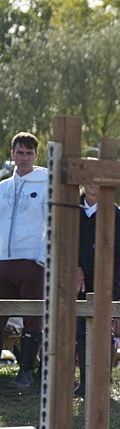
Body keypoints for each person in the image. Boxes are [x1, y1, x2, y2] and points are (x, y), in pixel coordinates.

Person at [0, 133, 50, 388]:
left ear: (36, 156)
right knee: (1, 314)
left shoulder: (46, 184)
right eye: (20, 152)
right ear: (12, 154)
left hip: (31, 263)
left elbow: (51, 225)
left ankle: (26, 372)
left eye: (29, 153)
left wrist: (40, 259)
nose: (24, 157)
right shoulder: (2, 187)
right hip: (2, 262)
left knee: (33, 316)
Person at [76, 182, 120, 397]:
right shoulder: (71, 210)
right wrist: (75, 270)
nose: (93, 185)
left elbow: (117, 252)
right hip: (74, 282)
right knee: (80, 333)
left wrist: (84, 270)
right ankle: (85, 382)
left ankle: (102, 381)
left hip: (104, 283)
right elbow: (61, 243)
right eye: (89, 179)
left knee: (102, 333)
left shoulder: (115, 215)